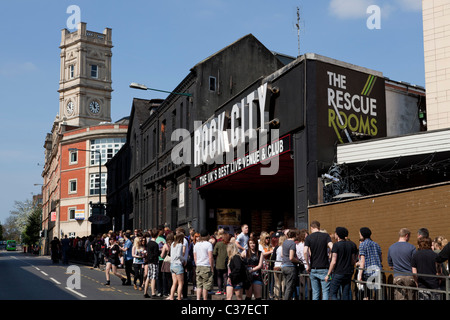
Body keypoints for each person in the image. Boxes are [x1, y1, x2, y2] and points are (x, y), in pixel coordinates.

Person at [304, 221, 333, 300]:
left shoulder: (308, 238)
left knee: (315, 292)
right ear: (319, 227)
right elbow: (332, 247)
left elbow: (304, 251)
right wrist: (330, 255)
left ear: (311, 228)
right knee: (325, 291)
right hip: (324, 268)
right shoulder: (326, 236)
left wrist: (308, 264)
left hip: (313, 268)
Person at [325, 227, 357, 300]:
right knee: (346, 293)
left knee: (333, 293)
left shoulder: (336, 245)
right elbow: (353, 260)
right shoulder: (352, 244)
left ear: (338, 235)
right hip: (348, 272)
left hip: (338, 272)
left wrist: (328, 274)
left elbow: (333, 261)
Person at [387, 228, 416, 300]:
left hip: (398, 276)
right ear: (406, 235)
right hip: (410, 277)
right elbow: (415, 263)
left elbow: (390, 264)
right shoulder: (412, 247)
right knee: (411, 297)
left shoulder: (391, 247)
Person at [357, 227, 383, 300]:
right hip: (378, 271)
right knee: (378, 293)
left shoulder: (362, 245)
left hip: (368, 272)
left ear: (362, 234)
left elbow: (362, 261)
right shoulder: (376, 244)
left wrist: (360, 274)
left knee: (367, 294)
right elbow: (381, 259)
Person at [193, 229, 214, 300]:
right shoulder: (209, 244)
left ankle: (198, 299)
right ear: (207, 235)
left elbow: (195, 257)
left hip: (198, 266)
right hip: (206, 266)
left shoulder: (196, 244)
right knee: (206, 285)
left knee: (199, 285)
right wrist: (212, 267)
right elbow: (210, 257)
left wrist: (197, 264)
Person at [282, 230, 302, 300]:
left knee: (287, 286)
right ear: (295, 235)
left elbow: (282, 254)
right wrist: (298, 261)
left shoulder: (284, 242)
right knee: (289, 288)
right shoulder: (292, 244)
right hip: (290, 267)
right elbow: (291, 257)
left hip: (284, 266)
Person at [243, 236, 265, 300]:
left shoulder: (260, 253)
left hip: (257, 276)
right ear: (248, 244)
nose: (252, 245)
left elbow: (260, 265)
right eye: (250, 243)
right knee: (248, 296)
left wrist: (251, 270)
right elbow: (240, 261)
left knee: (258, 296)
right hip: (248, 277)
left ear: (256, 244)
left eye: (253, 243)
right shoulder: (245, 252)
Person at [168, 232, 186, 300]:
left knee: (174, 283)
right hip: (178, 265)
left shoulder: (173, 244)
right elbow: (179, 255)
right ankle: (179, 298)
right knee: (181, 283)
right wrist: (184, 259)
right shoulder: (180, 245)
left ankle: (171, 297)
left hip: (172, 265)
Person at [144, 228, 160, 298]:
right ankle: (153, 293)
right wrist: (160, 252)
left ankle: (145, 292)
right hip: (154, 262)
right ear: (157, 235)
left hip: (149, 261)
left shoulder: (149, 243)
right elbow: (156, 254)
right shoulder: (155, 244)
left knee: (148, 277)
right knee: (153, 277)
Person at [160, 232, 174, 297]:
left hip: (167, 263)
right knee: (171, 279)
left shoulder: (166, 245)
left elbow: (162, 256)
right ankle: (171, 291)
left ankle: (165, 292)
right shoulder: (174, 244)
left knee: (165, 278)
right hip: (173, 262)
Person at [272, 235, 285, 299]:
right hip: (283, 266)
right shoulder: (285, 248)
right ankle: (283, 297)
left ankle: (276, 297)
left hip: (276, 266)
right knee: (283, 283)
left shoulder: (277, 248)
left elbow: (273, 257)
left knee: (277, 283)